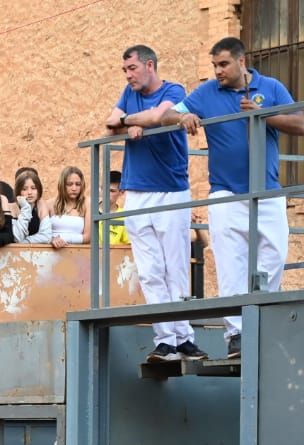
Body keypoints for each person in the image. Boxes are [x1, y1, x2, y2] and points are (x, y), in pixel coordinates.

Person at [165, 37, 304, 358]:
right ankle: (237, 336)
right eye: (214, 65)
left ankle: (263, 323)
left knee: (274, 255)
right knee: (230, 263)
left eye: (224, 64)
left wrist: (262, 114)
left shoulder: (270, 87)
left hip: (267, 190)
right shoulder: (206, 92)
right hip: (225, 193)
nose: (218, 71)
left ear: (242, 62)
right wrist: (182, 117)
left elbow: (300, 125)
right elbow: (167, 115)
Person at [107, 44, 201, 362]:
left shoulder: (174, 89)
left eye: (132, 68)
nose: (128, 75)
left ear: (150, 65)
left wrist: (132, 120)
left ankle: (184, 337)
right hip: (135, 191)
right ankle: (166, 340)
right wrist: (130, 121)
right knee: (149, 270)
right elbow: (109, 122)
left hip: (170, 189)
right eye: (125, 70)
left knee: (174, 266)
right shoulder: (128, 92)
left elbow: (160, 116)